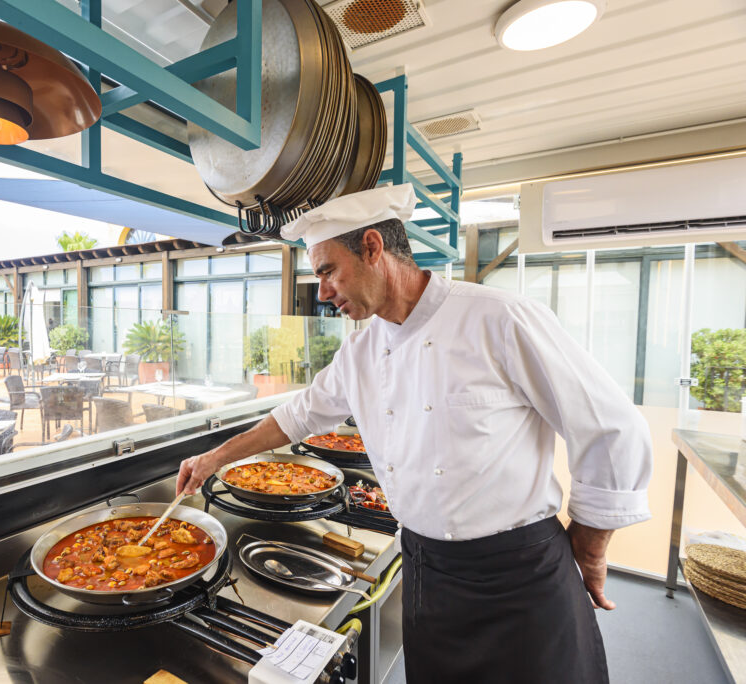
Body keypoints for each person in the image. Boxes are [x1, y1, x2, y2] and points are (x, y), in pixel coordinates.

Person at [176, 184, 652, 684]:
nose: (322, 292)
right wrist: (214, 458)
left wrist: (590, 546)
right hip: (428, 573)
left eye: (328, 271)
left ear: (372, 247)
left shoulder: (499, 318)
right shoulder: (360, 352)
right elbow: (297, 417)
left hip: (519, 575)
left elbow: (612, 427)